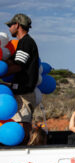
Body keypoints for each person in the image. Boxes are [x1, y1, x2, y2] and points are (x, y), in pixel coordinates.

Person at [1, 13, 39, 144]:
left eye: (10, 25)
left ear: (17, 25)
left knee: (22, 124)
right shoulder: (25, 43)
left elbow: (18, 66)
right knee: (21, 122)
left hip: (24, 93)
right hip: (22, 91)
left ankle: (24, 149)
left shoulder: (26, 42)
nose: (9, 28)